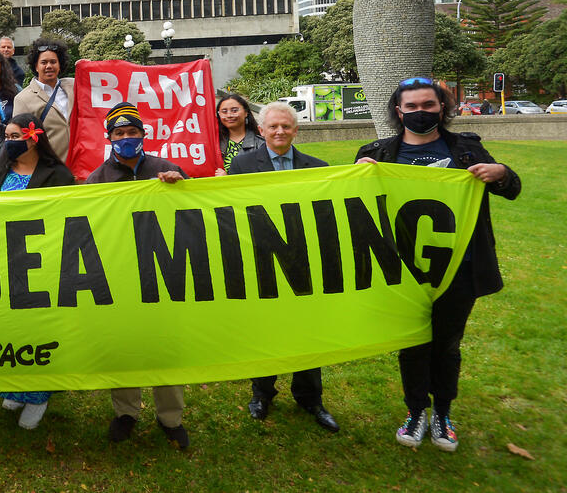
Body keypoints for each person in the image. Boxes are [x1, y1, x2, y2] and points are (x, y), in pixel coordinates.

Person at [355, 76, 520, 452]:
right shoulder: (377, 153)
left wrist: (501, 172)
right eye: (410, 107)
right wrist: (358, 178)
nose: (419, 112)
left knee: (446, 343)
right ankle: (416, 412)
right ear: (398, 111)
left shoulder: (466, 149)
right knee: (412, 343)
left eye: (427, 105)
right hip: (402, 270)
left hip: (458, 267)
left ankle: (443, 413)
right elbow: (358, 212)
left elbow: (511, 189)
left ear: (442, 107)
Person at [228, 102, 340, 434]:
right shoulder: (243, 165)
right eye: (273, 127)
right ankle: (262, 394)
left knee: (308, 331)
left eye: (286, 127)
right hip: (261, 261)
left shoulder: (316, 167)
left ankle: (310, 398)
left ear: (296, 130)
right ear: (260, 131)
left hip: (305, 263)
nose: (279, 132)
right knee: (266, 330)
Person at [84, 102, 191, 449]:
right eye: (119, 133)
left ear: (143, 135)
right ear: (109, 138)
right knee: (125, 343)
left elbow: (194, 212)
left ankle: (170, 417)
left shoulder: (167, 169)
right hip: (120, 274)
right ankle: (126, 412)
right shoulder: (97, 179)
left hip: (164, 272)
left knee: (166, 344)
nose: (127, 138)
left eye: (132, 133)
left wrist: (180, 186)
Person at [0, 112, 74, 429]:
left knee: (38, 330)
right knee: (10, 328)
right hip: (4, 261)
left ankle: (39, 394)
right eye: (8, 136)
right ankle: (15, 387)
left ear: (34, 137)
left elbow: (65, 216)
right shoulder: (1, 170)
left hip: (41, 263)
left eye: (16, 136)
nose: (10, 141)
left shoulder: (57, 173)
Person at [13, 41, 74, 162]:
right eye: (44, 62)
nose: (49, 66)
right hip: (49, 170)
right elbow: (20, 140)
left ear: (60, 64)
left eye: (53, 62)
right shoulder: (23, 99)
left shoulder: (73, 86)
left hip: (79, 168)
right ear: (36, 66)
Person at [214, 93, 264, 174]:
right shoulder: (214, 142)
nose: (229, 115)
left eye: (234, 110)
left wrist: (228, 179)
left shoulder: (261, 144)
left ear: (246, 112)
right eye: (224, 111)